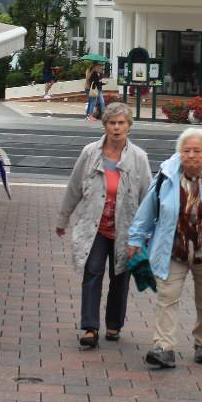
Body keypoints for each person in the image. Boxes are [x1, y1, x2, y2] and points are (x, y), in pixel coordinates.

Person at [128, 127, 202, 369]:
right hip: (173, 250)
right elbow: (147, 210)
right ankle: (164, 348)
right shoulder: (166, 176)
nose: (191, 155)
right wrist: (135, 238)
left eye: (197, 151)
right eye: (186, 150)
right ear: (179, 153)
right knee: (167, 297)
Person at [56, 102, 152, 349]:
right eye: (112, 123)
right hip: (95, 226)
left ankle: (114, 324)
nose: (117, 128)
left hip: (125, 228)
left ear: (129, 126)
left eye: (121, 123)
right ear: (105, 125)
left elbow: (148, 198)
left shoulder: (139, 158)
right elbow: (74, 186)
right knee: (93, 271)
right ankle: (90, 327)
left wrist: (147, 233)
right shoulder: (90, 153)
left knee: (120, 275)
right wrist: (62, 219)